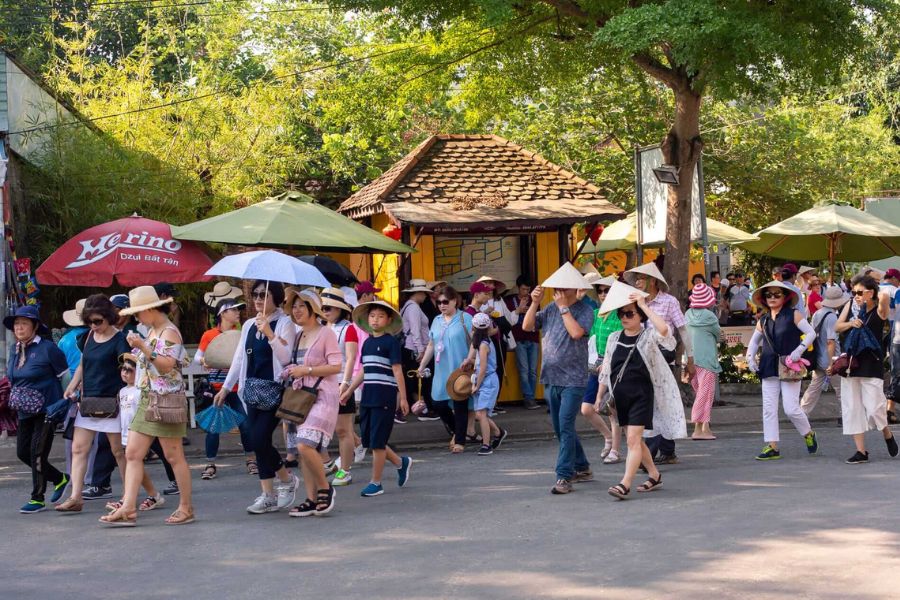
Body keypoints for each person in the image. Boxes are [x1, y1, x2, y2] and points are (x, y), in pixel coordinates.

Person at [99, 286, 194, 526]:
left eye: (138, 313)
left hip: (166, 400)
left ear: (150, 309)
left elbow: (167, 365)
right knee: (132, 453)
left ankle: (186, 507)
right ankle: (129, 507)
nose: (136, 318)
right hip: (147, 397)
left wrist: (143, 348)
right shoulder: (152, 331)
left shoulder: (169, 332)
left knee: (174, 456)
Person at [214, 280, 299, 515]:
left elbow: (285, 359)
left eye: (265, 294)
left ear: (277, 297)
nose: (259, 299)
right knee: (254, 439)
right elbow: (240, 359)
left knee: (260, 438)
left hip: (275, 390)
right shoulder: (249, 324)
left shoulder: (285, 323)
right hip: (251, 388)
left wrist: (270, 333)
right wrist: (226, 387)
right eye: (256, 295)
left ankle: (285, 479)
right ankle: (269, 493)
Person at [596, 283, 686, 500]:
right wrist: (600, 395)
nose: (624, 317)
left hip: (642, 396)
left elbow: (665, 330)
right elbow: (607, 368)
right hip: (621, 396)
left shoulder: (648, 337)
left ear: (640, 317)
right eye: (621, 314)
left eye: (629, 313)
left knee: (633, 440)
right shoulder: (614, 338)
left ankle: (625, 483)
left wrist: (644, 306)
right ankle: (654, 475)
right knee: (636, 441)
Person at [522, 262, 595, 495]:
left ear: (574, 289)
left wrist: (564, 308)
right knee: (560, 427)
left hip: (574, 378)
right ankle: (582, 465)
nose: (558, 293)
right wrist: (535, 302)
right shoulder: (551, 308)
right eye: (556, 289)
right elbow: (527, 325)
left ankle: (564, 476)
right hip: (551, 376)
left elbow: (576, 333)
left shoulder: (584, 310)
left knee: (564, 425)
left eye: (563, 288)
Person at [56, 295, 131, 512]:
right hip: (88, 400)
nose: (94, 326)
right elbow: (83, 362)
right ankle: (75, 496)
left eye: (98, 321)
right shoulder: (88, 336)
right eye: (89, 321)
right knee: (79, 449)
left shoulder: (120, 340)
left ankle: (128, 496)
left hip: (112, 402)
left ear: (109, 317)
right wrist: (73, 385)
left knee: (119, 452)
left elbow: (127, 368)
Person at [341, 301, 413, 497]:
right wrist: (348, 390)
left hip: (385, 397)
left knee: (378, 443)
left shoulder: (391, 342)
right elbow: (364, 370)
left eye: (380, 316)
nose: (375, 319)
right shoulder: (367, 343)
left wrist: (404, 398)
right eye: (372, 316)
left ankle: (376, 482)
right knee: (370, 440)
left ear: (388, 320)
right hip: (368, 397)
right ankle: (400, 462)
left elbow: (398, 370)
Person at [625, 262, 694, 465]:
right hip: (640, 358)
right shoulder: (635, 302)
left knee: (656, 402)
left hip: (663, 358)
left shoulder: (669, 302)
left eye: (641, 278)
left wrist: (690, 358)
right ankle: (667, 449)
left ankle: (650, 452)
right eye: (636, 279)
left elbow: (682, 329)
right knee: (655, 403)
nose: (637, 282)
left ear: (653, 281)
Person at [281, 289, 342, 516]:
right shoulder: (298, 335)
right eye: (294, 307)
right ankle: (311, 498)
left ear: (312, 309)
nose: (296, 311)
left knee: (304, 445)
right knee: (306, 450)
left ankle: (326, 489)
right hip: (303, 398)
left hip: (323, 396)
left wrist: (306, 369)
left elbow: (336, 366)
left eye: (301, 306)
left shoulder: (325, 333)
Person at [745, 281, 819, 461]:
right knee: (769, 408)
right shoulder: (763, 320)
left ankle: (808, 433)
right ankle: (772, 445)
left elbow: (811, 333)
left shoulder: (794, 315)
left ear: (785, 297)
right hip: (769, 365)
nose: (772, 298)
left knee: (791, 408)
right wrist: (749, 358)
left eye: (777, 294)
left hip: (789, 365)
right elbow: (755, 341)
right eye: (769, 295)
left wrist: (799, 350)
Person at [6, 305, 70, 513]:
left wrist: (65, 404)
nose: (19, 327)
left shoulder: (48, 349)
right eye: (16, 324)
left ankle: (37, 497)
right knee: (23, 452)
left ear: (34, 326)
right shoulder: (15, 349)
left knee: (37, 453)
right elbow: (12, 377)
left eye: (24, 323)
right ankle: (59, 478)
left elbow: (66, 378)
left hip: (47, 410)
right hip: (24, 409)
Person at [834, 275, 898, 463]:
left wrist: (876, 287)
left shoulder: (879, 310)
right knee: (852, 407)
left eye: (860, 292)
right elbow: (838, 327)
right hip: (851, 364)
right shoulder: (851, 306)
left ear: (871, 293)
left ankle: (886, 432)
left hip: (872, 364)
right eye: (853, 292)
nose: (856, 295)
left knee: (875, 407)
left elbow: (885, 297)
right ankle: (861, 451)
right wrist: (851, 323)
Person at [194, 296, 254, 481]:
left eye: (238, 309)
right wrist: (206, 360)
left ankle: (251, 460)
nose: (238, 313)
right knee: (214, 428)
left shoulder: (242, 333)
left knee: (245, 425)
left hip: (237, 388)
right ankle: (210, 463)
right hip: (216, 387)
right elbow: (198, 357)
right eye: (233, 309)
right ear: (222, 314)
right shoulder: (209, 335)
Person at [105, 353, 166, 513]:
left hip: (139, 432)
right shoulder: (123, 391)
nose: (124, 372)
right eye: (122, 369)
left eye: (129, 370)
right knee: (134, 464)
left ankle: (127, 499)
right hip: (126, 433)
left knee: (134, 462)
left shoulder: (141, 390)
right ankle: (152, 495)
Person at [417, 286, 475, 452]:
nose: (441, 305)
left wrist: (470, 358)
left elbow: (476, 342)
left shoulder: (466, 318)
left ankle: (460, 441)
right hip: (441, 369)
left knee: (460, 404)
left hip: (460, 368)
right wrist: (421, 365)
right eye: (439, 302)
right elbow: (431, 344)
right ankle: (457, 431)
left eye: (445, 302)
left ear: (455, 301)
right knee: (438, 403)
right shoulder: (436, 320)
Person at [320, 288, 365, 486]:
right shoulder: (320, 327)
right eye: (323, 307)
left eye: (329, 307)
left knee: (343, 429)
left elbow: (351, 358)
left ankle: (345, 470)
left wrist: (346, 383)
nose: (326, 310)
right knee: (322, 427)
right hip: (322, 382)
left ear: (340, 309)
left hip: (340, 381)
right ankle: (330, 463)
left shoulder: (349, 328)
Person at [581, 275, 621, 463]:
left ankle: (615, 450)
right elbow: (591, 341)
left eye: (607, 290)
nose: (603, 294)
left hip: (613, 366)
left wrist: (609, 364)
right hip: (595, 365)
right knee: (587, 409)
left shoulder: (621, 314)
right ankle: (608, 437)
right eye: (600, 290)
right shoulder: (595, 313)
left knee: (611, 411)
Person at [800, 286, 847, 416]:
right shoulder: (832, 317)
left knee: (814, 387)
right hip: (830, 358)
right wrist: (832, 363)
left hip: (818, 357)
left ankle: (802, 413)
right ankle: (846, 415)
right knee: (841, 388)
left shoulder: (818, 313)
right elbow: (830, 341)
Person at [685, 284, 721, 440]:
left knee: (701, 393)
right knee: (705, 395)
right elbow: (718, 335)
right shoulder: (710, 316)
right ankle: (698, 429)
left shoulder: (687, 314)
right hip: (707, 359)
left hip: (691, 360)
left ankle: (704, 428)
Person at [467, 312, 506, 456]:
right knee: (480, 413)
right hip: (485, 379)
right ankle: (497, 432)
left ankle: (486, 444)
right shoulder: (484, 342)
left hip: (486, 380)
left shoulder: (483, 345)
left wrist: (477, 384)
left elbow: (483, 367)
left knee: (481, 414)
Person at [398, 280, 432, 424]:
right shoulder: (413, 308)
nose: (425, 295)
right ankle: (402, 410)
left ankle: (419, 408)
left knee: (413, 380)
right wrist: (421, 350)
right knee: (413, 380)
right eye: (423, 292)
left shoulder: (409, 306)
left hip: (410, 347)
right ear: (417, 293)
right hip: (413, 348)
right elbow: (415, 330)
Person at [506, 275, 540, 410]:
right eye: (524, 289)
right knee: (524, 370)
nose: (526, 292)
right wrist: (518, 310)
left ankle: (530, 397)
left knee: (533, 371)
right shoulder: (510, 300)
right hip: (518, 338)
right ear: (518, 288)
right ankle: (529, 398)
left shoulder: (534, 300)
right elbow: (508, 318)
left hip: (533, 338)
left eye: (528, 289)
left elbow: (538, 319)